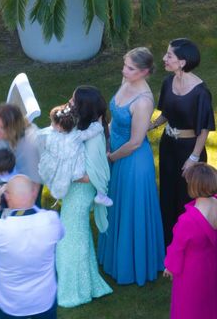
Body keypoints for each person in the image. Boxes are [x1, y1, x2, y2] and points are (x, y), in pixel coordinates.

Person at [98, 47, 165, 285]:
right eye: (124, 65)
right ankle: (115, 256)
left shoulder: (144, 101)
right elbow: (116, 116)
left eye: (130, 68)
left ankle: (133, 265)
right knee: (117, 206)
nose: (124, 70)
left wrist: (111, 158)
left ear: (145, 72)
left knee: (130, 210)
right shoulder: (126, 81)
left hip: (132, 162)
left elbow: (136, 142)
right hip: (115, 149)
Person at [0, 175, 64, 319]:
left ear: (6, 197)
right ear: (33, 193)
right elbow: (61, 234)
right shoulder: (51, 220)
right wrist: (31, 204)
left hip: (10, 304)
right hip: (44, 301)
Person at [150, 38, 215, 245]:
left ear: (183, 62)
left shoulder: (201, 92)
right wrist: (148, 127)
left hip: (189, 150)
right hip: (168, 146)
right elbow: (166, 114)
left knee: (186, 196)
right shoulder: (168, 82)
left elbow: (203, 129)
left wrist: (194, 158)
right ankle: (168, 243)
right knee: (168, 193)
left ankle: (189, 242)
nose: (164, 58)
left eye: (169, 55)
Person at [56, 86, 112, 307]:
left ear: (84, 108)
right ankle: (86, 282)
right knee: (77, 234)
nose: (69, 102)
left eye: (73, 100)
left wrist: (63, 172)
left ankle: (75, 290)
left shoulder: (94, 137)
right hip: (74, 192)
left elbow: (91, 175)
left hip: (81, 193)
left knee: (70, 238)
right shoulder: (86, 128)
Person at [164, 163, 217, 319]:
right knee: (210, 302)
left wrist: (170, 267)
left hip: (191, 272)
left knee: (188, 306)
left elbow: (177, 249)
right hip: (212, 263)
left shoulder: (187, 221)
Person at [37, 104, 111, 205]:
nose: (51, 125)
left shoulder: (51, 137)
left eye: (52, 122)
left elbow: (40, 136)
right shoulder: (76, 135)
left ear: (59, 127)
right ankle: (101, 194)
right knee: (93, 170)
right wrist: (98, 123)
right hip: (75, 169)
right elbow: (92, 132)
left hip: (59, 165)